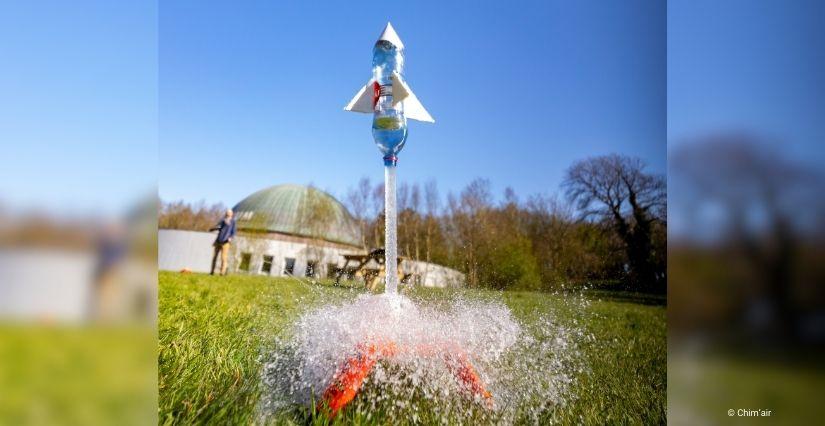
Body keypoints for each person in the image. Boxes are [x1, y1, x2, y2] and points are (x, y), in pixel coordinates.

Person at [210, 209, 236, 275]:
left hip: (226, 242)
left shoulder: (233, 222)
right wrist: (214, 228)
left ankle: (222, 272)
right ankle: (212, 271)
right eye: (227, 212)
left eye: (229, 212)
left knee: (223, 258)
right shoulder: (222, 220)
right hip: (219, 240)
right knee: (214, 257)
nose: (228, 213)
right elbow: (218, 227)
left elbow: (233, 232)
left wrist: (230, 237)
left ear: (232, 214)